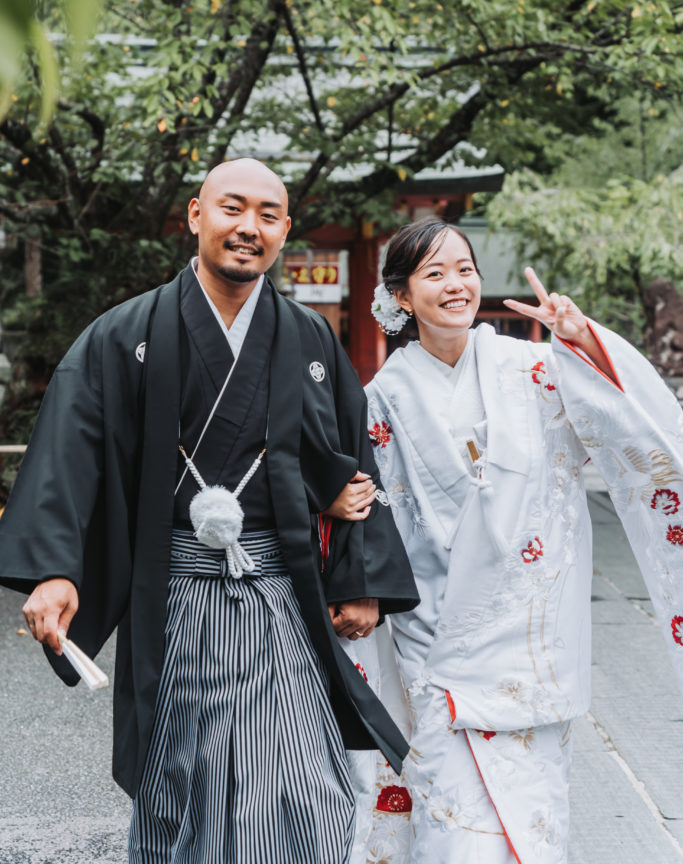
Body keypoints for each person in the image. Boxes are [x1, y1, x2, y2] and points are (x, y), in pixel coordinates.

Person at [0, 158, 419, 864]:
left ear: (284, 230)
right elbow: (70, 455)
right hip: (175, 594)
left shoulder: (308, 338)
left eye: (267, 215)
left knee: (307, 785)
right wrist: (55, 571)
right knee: (184, 779)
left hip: (280, 592)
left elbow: (352, 462)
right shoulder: (123, 334)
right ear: (197, 214)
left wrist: (359, 577)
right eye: (232, 208)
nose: (248, 227)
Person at [346, 217, 683, 864]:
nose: (456, 284)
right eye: (435, 273)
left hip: (526, 643)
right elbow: (367, 514)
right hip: (436, 642)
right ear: (401, 295)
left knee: (530, 824)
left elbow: (631, 427)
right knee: (449, 829)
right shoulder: (380, 399)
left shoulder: (535, 368)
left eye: (465, 269)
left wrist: (583, 342)